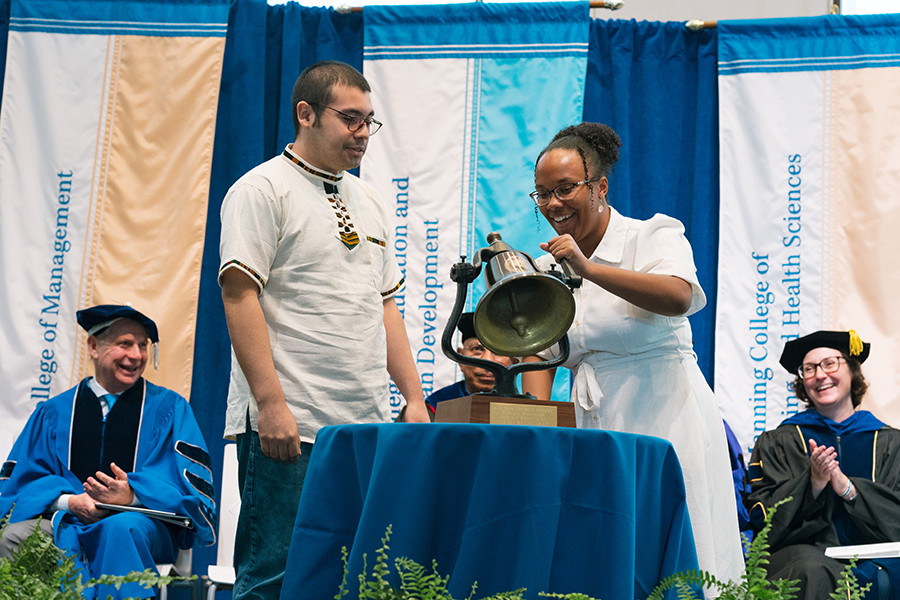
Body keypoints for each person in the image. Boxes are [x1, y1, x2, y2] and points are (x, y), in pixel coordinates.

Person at [218, 60, 430, 600]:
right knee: (273, 577)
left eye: (369, 122)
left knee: (357, 577)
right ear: (306, 114)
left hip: (363, 425)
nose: (362, 134)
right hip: (290, 422)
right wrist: (270, 404)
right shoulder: (260, 189)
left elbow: (385, 309)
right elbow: (239, 295)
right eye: (351, 119)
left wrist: (413, 397)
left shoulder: (371, 201)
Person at [520, 122, 744, 586]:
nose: (553, 204)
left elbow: (679, 296)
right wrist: (536, 423)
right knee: (613, 553)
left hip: (667, 416)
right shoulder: (546, 267)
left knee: (684, 551)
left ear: (599, 186)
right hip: (597, 428)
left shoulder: (653, 235)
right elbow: (539, 355)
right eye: (542, 194)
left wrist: (589, 268)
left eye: (565, 189)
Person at [0, 304, 215, 600]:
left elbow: (183, 488)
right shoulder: (53, 413)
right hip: (67, 523)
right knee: (14, 537)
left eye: (142, 345)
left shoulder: (170, 409)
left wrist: (131, 496)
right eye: (124, 344)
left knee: (121, 527)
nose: (137, 355)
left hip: (142, 523)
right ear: (93, 346)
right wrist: (70, 501)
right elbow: (21, 484)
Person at [746, 330, 900, 599]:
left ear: (852, 371)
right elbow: (764, 521)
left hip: (880, 553)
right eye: (809, 369)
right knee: (813, 569)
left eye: (830, 363)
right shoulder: (777, 442)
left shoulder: (890, 442)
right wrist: (813, 483)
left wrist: (849, 489)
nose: (819, 375)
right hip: (803, 556)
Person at [426, 312, 516, 408]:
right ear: (460, 358)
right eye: (477, 349)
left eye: (498, 351)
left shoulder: (523, 408)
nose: (488, 361)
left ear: (515, 362)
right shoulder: (437, 406)